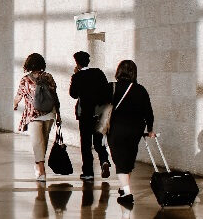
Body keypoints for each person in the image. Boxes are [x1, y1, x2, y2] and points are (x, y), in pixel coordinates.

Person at [104, 60, 155, 207]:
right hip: (135, 130)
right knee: (128, 159)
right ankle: (123, 187)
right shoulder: (141, 90)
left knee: (120, 161)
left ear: (119, 71)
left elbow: (101, 106)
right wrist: (150, 129)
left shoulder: (112, 87)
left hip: (116, 129)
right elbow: (148, 112)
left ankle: (127, 193)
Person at [13, 53, 60, 182]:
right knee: (43, 142)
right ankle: (40, 167)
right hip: (49, 114)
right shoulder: (48, 77)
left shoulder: (26, 79)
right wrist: (58, 114)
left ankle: (40, 169)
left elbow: (18, 96)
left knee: (37, 143)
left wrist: (15, 104)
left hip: (33, 115)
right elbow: (55, 97)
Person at [69, 51, 112, 181]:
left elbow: (73, 94)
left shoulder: (77, 76)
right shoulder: (98, 72)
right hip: (100, 113)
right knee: (99, 142)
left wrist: (75, 76)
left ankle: (88, 172)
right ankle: (104, 160)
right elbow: (107, 90)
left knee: (86, 143)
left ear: (77, 63)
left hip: (85, 115)